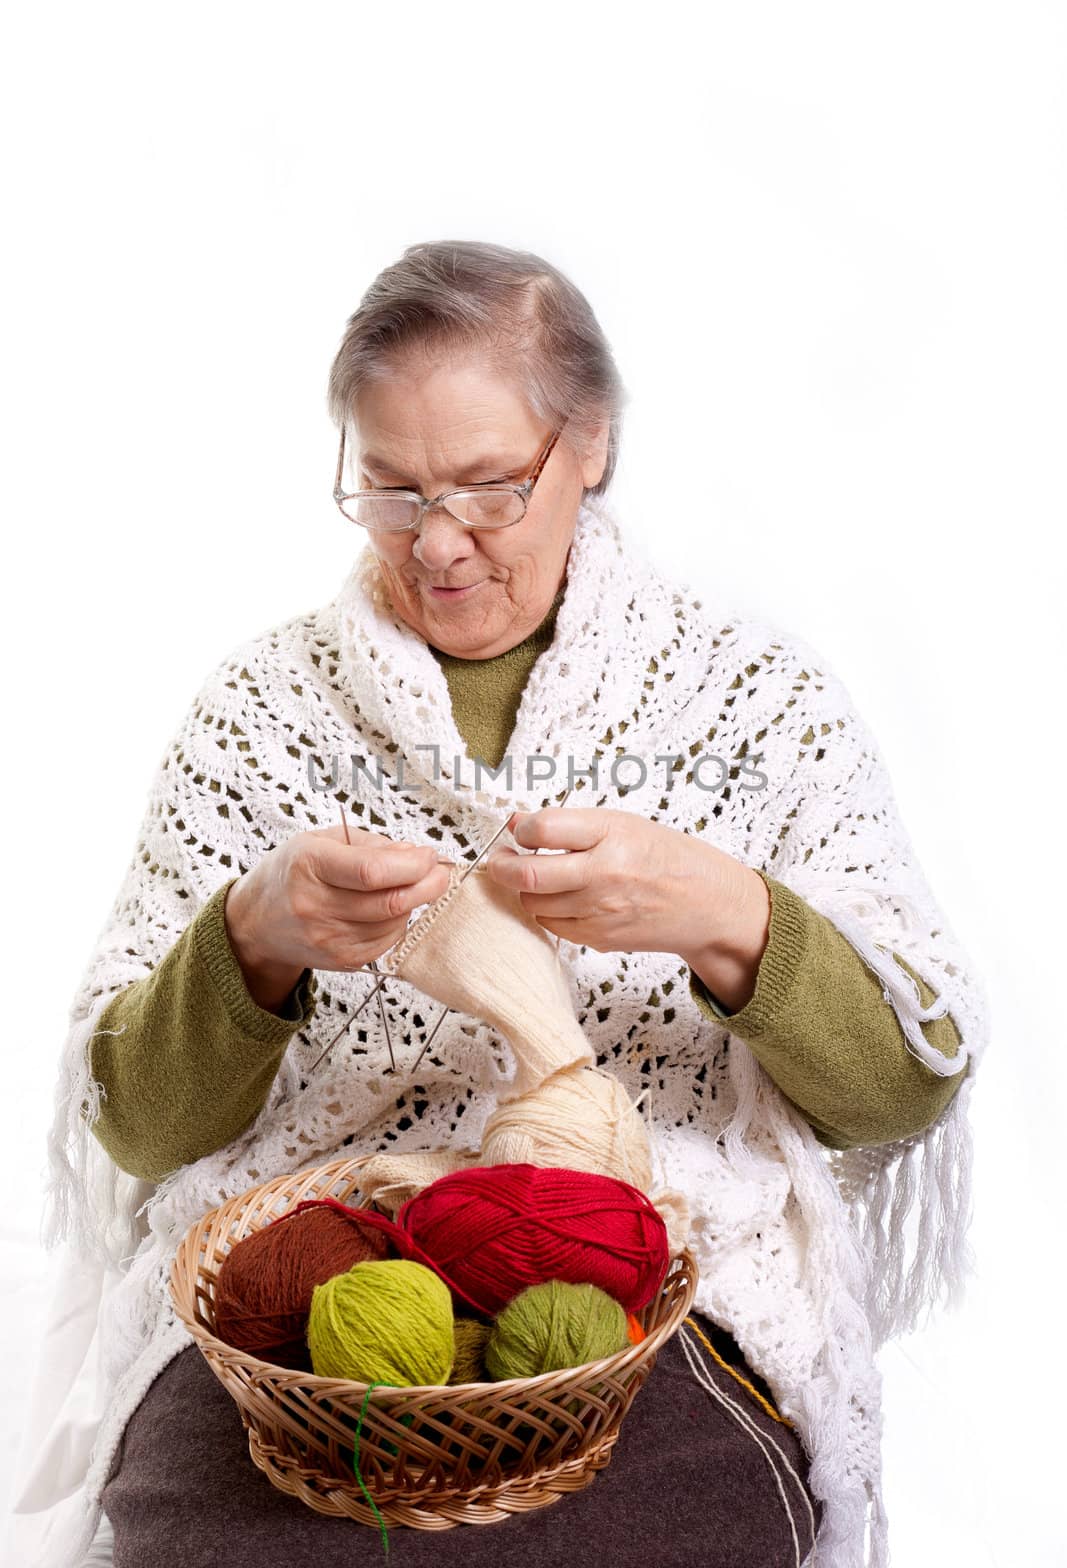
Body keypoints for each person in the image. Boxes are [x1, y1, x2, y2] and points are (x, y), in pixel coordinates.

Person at [40, 240, 989, 1568]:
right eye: (389, 488)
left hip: (652, 1287)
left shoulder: (755, 703)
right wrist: (257, 936)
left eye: (490, 484)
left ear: (588, 442)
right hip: (310, 1294)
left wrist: (729, 916)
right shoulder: (262, 716)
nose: (437, 544)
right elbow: (137, 1126)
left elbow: (907, 1085)